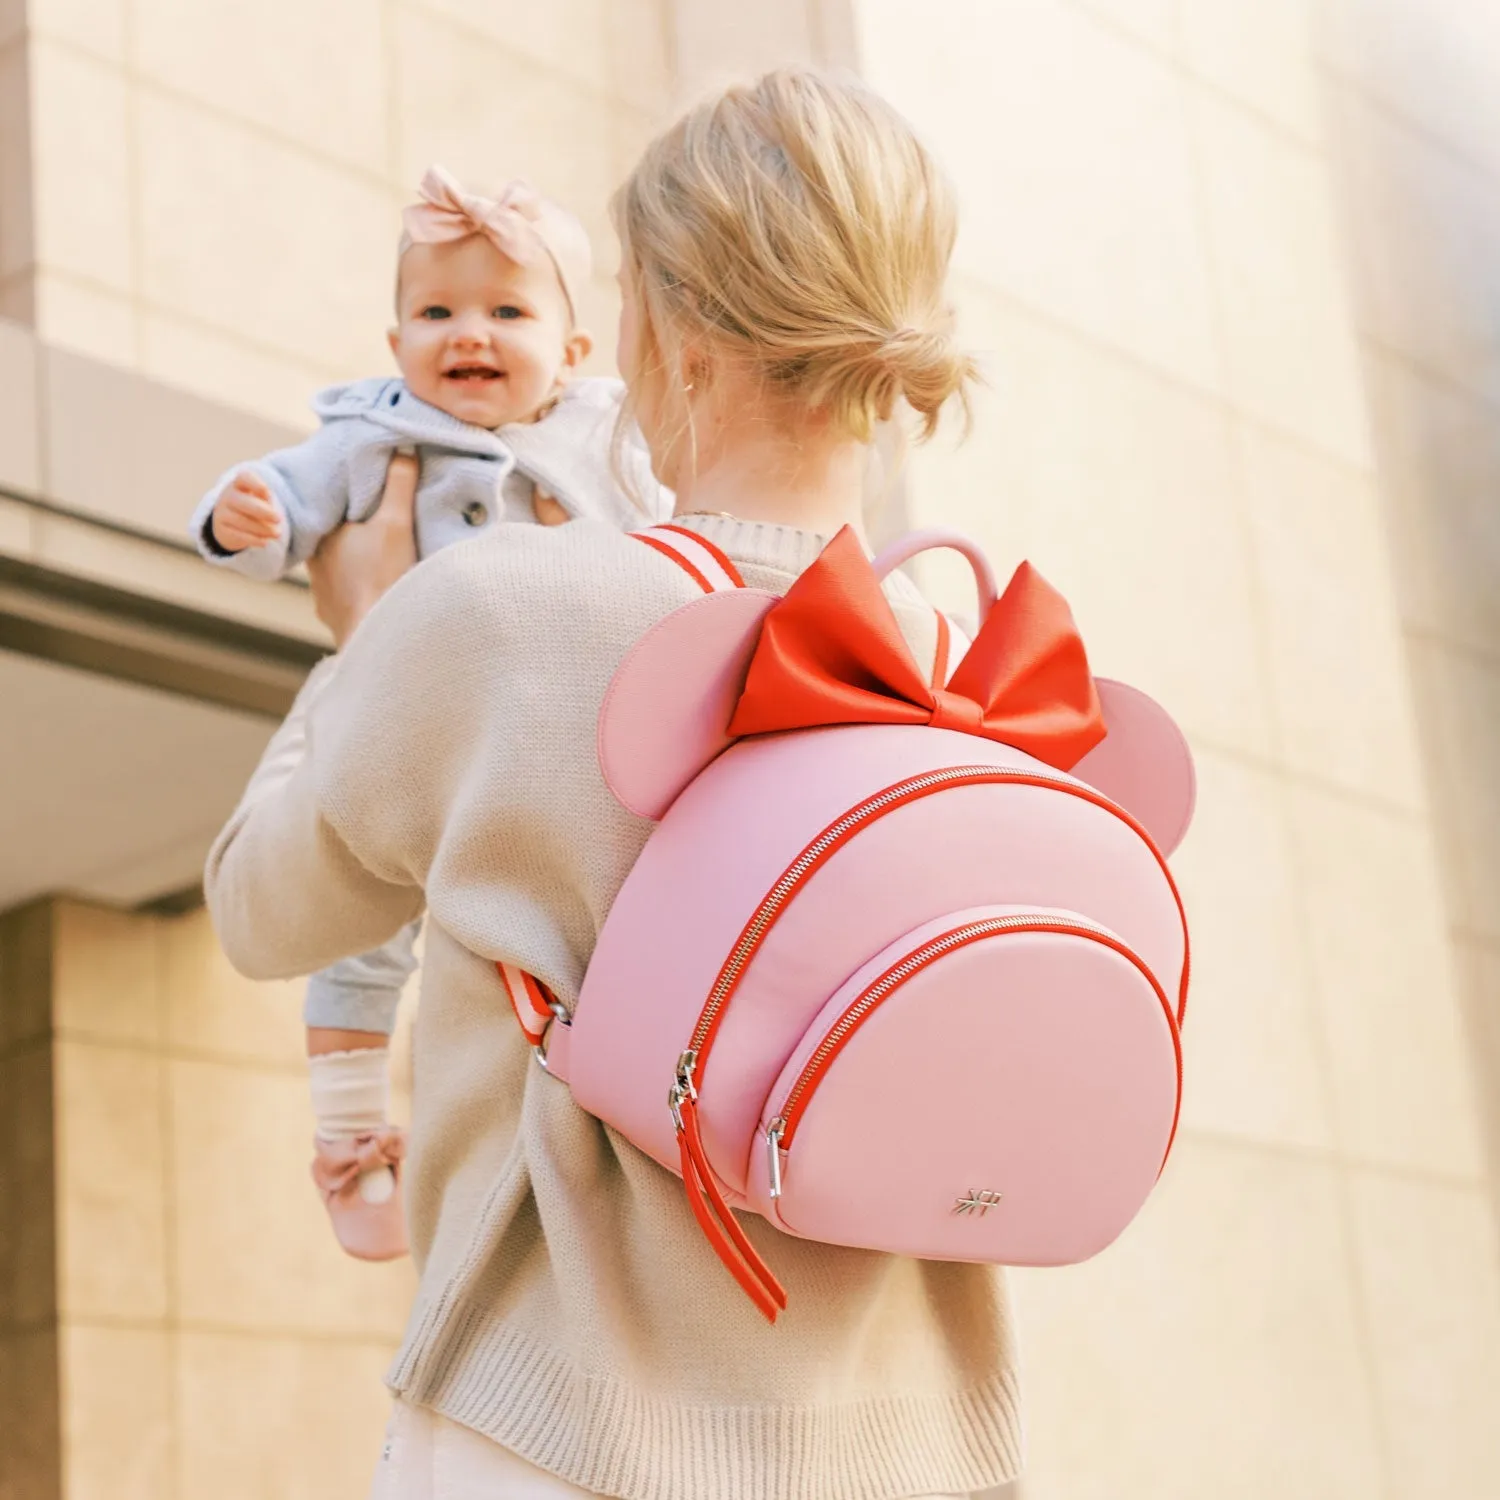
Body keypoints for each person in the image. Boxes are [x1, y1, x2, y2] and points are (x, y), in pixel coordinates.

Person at [205, 69, 1021, 1500]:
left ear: (665, 324)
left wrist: (359, 637)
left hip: (554, 1433)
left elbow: (257, 909)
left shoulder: (496, 615)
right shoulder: (975, 667)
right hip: (926, 1447)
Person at [189, 165, 667, 1261]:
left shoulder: (610, 441)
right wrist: (247, 518)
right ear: (395, 338)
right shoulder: (369, 431)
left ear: (575, 351)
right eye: (437, 312)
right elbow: (287, 504)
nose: (471, 335)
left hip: (542, 736)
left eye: (508, 312)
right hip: (386, 707)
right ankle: (352, 1134)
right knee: (356, 933)